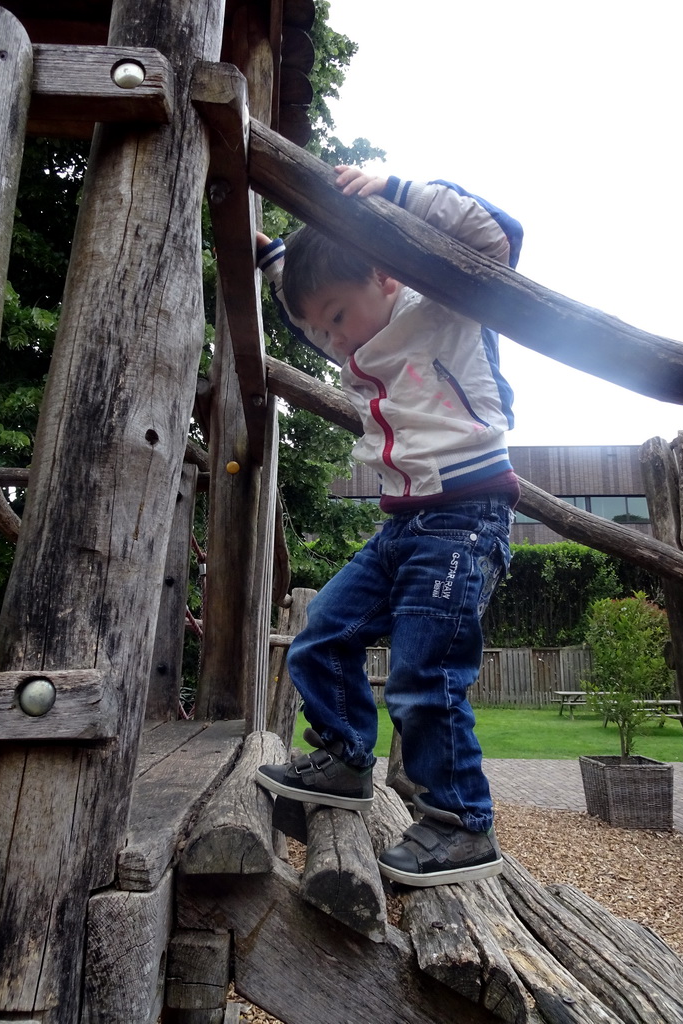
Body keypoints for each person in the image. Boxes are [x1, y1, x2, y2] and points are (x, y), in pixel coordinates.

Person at [254, 166, 523, 887]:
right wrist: (270, 257)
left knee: (423, 676)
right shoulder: (358, 339)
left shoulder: (444, 302)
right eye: (322, 327)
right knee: (323, 633)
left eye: (338, 317)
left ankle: (461, 824)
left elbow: (497, 237)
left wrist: (396, 194)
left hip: (465, 516)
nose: (331, 341)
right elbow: (306, 306)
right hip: (404, 524)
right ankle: (343, 756)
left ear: (384, 275)